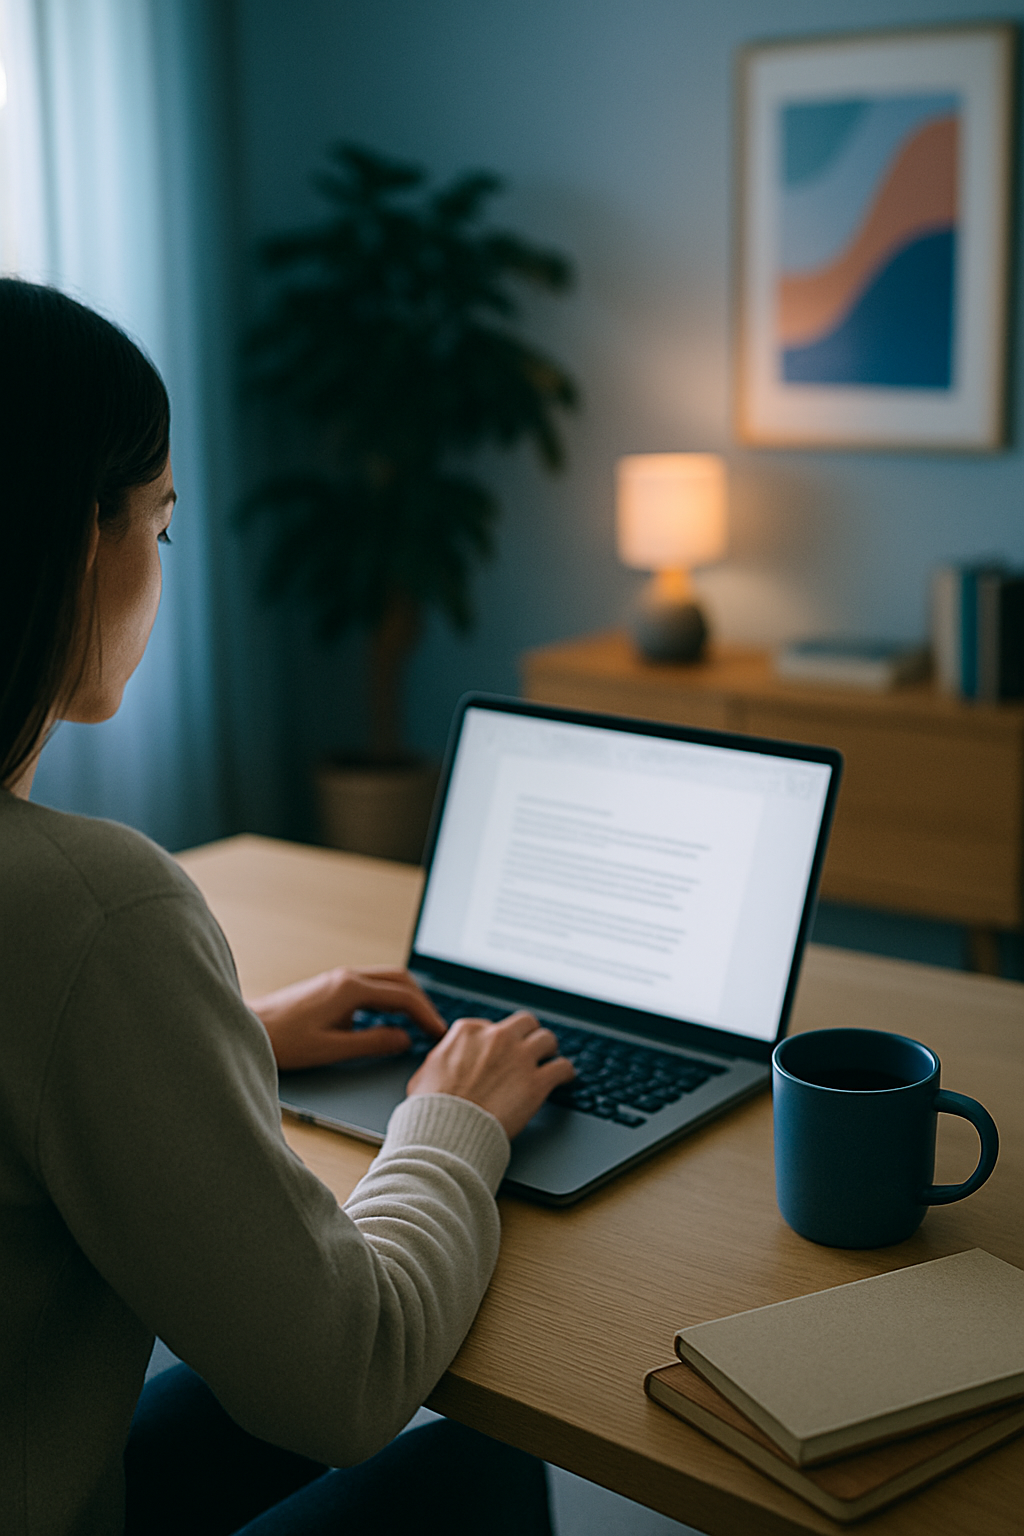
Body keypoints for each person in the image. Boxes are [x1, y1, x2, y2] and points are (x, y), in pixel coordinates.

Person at [0, 278, 575, 1536]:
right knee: (477, 1466)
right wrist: (453, 1122)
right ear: (81, 539)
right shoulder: (91, 909)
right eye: (160, 526)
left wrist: (229, 1041)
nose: (160, 564)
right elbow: (349, 1380)